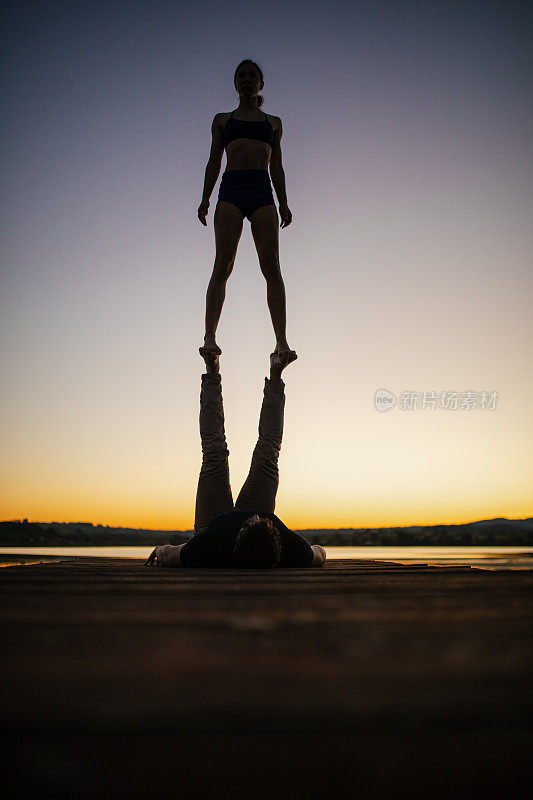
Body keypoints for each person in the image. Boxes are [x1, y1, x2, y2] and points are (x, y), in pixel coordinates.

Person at [145, 349, 326, 569]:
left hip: (213, 521)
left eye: (252, 522)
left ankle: (212, 372)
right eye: (264, 522)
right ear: (277, 540)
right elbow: (318, 554)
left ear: (238, 537)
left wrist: (159, 550)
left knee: (214, 454)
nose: (255, 517)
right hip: (250, 529)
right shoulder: (293, 549)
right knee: (268, 455)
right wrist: (319, 551)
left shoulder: (205, 547)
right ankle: (276, 375)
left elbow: (169, 554)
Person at [197, 58, 297, 365]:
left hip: (261, 190)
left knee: (271, 265)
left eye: (252, 75)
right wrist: (205, 198)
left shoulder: (273, 123)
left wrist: (283, 201)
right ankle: (210, 338)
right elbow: (214, 160)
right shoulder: (223, 120)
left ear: (261, 85)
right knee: (223, 263)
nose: (247, 78)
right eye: (241, 74)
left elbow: (276, 165)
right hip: (231, 190)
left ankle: (281, 343)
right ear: (235, 83)